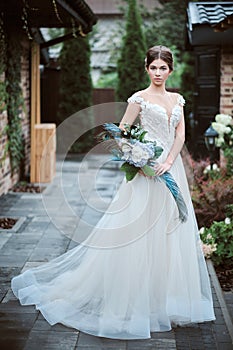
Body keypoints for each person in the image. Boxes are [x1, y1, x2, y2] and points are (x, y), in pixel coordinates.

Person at [11, 45, 215, 339]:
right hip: (145, 174)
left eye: (163, 68)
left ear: (171, 70)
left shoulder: (177, 100)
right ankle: (132, 296)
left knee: (170, 231)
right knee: (139, 232)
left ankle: (164, 296)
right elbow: (122, 132)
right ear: (146, 68)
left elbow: (180, 134)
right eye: (153, 67)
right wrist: (138, 157)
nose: (158, 73)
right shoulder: (139, 99)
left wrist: (169, 161)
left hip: (170, 171)